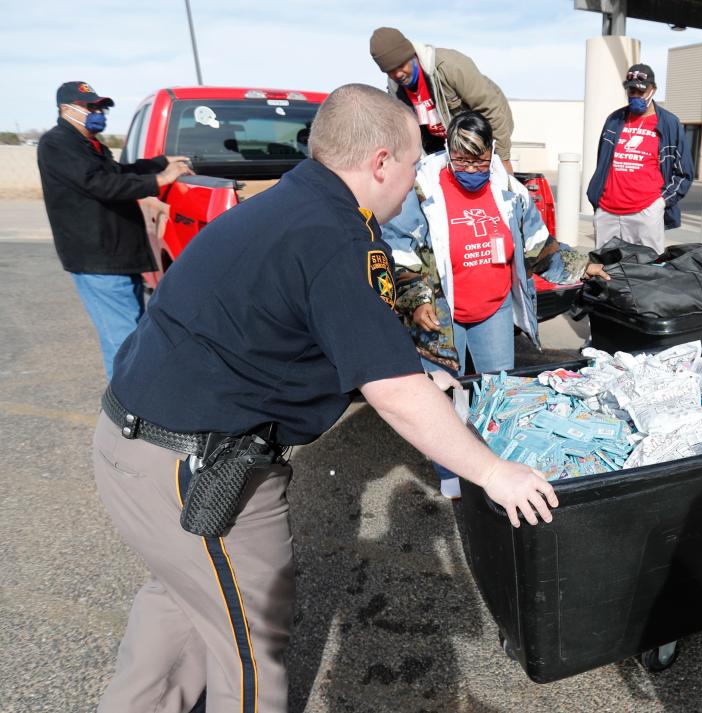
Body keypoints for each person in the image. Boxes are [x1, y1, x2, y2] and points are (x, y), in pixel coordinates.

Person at [91, 84, 557, 713]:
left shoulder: (291, 202)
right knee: (249, 652)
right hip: (202, 470)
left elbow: (315, 317)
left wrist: (416, 364)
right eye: (417, 163)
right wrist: (492, 472)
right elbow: (391, 394)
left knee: (180, 609)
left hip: (134, 445)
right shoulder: (338, 236)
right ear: (382, 162)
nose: (419, 181)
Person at [382, 110, 609, 498]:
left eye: (479, 161)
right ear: (449, 153)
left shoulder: (509, 191)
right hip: (442, 314)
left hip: (494, 309)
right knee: (445, 397)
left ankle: (499, 462)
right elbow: (399, 249)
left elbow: (538, 245)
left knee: (499, 394)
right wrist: (416, 300)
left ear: (492, 154)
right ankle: (451, 469)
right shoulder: (421, 188)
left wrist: (582, 265)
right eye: (462, 161)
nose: (471, 169)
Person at [37, 81, 194, 378]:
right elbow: (100, 184)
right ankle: (124, 413)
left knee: (133, 336)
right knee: (123, 342)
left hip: (118, 257)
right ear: (65, 109)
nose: (98, 112)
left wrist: (159, 163)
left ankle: (134, 402)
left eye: (100, 107)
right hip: (100, 261)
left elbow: (118, 173)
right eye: (89, 107)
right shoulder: (57, 143)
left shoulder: (89, 145)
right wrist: (159, 180)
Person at [369, 26, 516, 173]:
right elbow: (403, 134)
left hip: (481, 132)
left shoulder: (450, 66)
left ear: (411, 55)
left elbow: (491, 108)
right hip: (443, 143)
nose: (398, 74)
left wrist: (502, 158)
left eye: (401, 65)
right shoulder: (396, 91)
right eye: (390, 71)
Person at [586, 63, 694, 253]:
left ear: (653, 89)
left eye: (640, 90)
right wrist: (598, 197)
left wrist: (661, 202)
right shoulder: (614, 119)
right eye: (631, 90)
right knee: (606, 271)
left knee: (647, 272)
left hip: (645, 211)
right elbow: (602, 161)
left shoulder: (669, 123)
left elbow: (684, 172)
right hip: (607, 210)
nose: (635, 95)